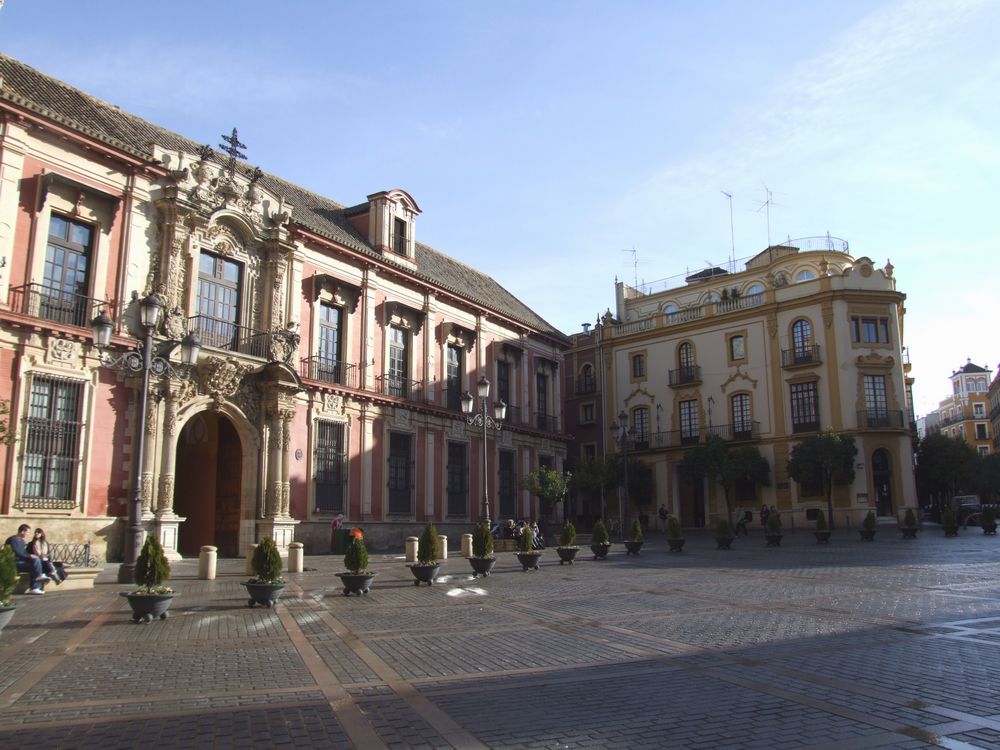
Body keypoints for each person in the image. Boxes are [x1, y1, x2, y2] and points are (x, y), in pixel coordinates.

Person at [4, 524, 49, 594]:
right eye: (27, 532)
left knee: (36, 562)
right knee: (35, 561)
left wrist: (31, 556)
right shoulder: (13, 539)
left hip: (21, 562)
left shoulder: (21, 541)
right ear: (22, 531)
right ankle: (38, 580)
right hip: (14, 563)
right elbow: (17, 553)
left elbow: (25, 553)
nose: (28, 534)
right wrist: (29, 556)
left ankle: (35, 587)